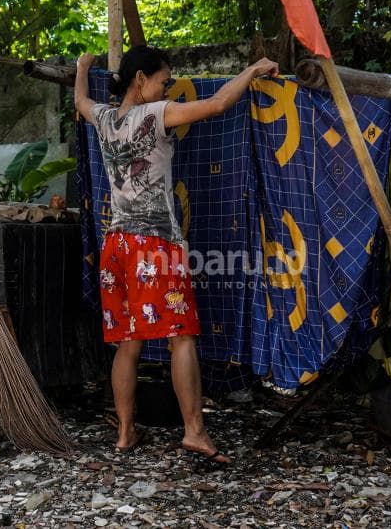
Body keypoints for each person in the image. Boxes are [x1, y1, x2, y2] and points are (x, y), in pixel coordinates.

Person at [74, 46, 279, 465]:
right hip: (154, 244)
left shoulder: (106, 119)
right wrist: (252, 70)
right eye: (163, 81)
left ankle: (125, 432)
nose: (167, 88)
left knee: (127, 343)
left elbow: (80, 100)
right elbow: (218, 104)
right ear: (140, 79)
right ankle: (194, 432)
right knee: (180, 337)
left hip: (116, 247)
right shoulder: (156, 114)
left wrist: (82, 68)